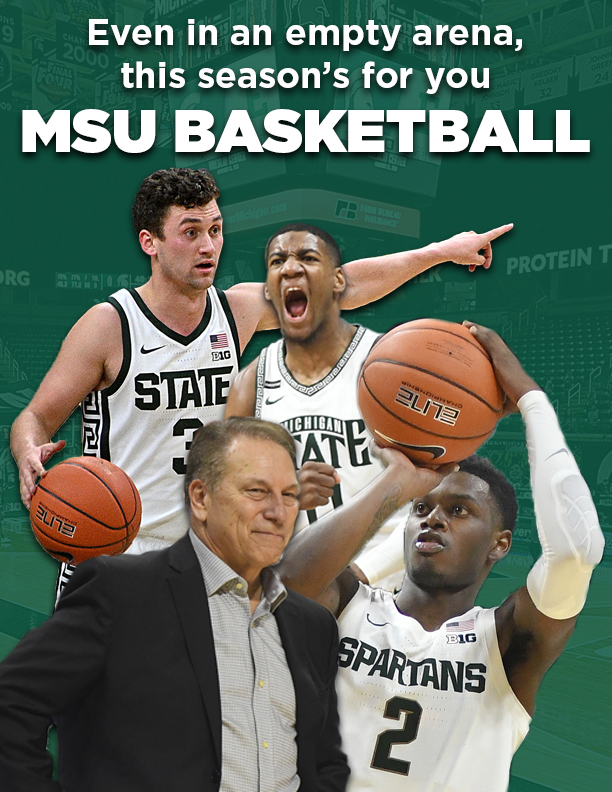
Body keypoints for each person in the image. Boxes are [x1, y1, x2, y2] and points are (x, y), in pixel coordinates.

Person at [11, 166, 511, 573]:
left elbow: (345, 285)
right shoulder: (110, 325)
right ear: (150, 242)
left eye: (215, 229)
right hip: (117, 554)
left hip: (205, 558)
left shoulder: (239, 310)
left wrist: (439, 252)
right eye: (190, 233)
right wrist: (28, 452)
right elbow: (34, 417)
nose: (209, 246)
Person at [277, 323, 604, 792]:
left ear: (500, 544)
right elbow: (286, 583)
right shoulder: (349, 607)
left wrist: (531, 400)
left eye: (459, 511)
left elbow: (577, 550)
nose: (432, 519)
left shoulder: (504, 645)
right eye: (422, 509)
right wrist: (396, 484)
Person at [0, 418, 348, 792]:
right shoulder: (120, 592)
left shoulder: (313, 625)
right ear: (200, 498)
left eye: (289, 495)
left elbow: (323, 761)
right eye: (256, 491)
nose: (278, 513)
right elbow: (11, 702)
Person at [226, 224, 511, 587]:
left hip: (364, 585)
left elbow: (346, 285)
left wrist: (441, 250)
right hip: (270, 570)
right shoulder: (250, 379)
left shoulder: (395, 369)